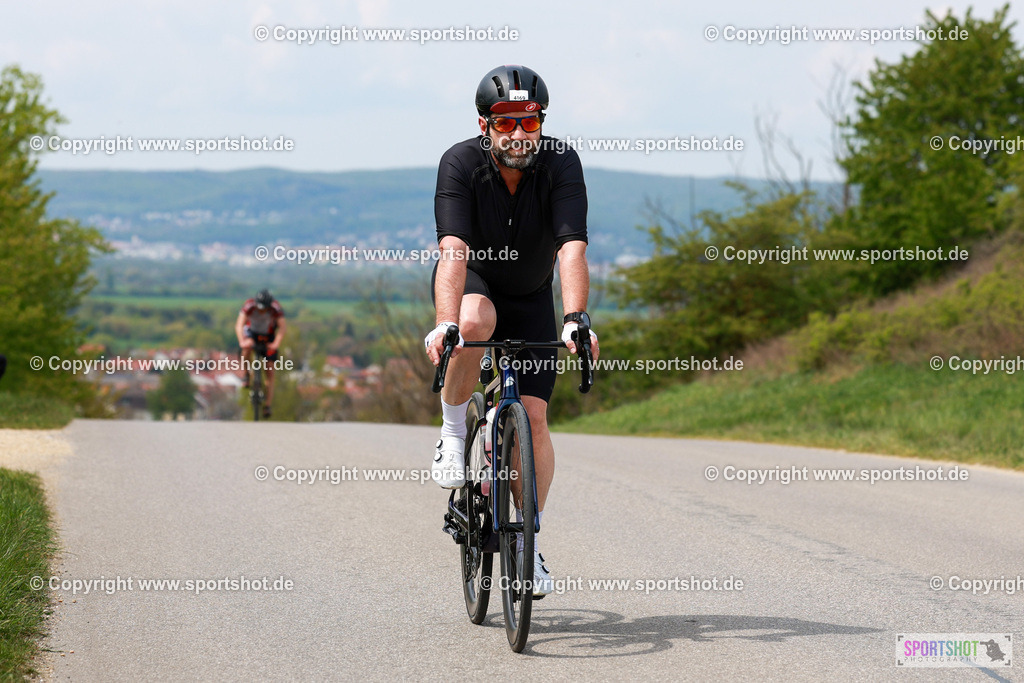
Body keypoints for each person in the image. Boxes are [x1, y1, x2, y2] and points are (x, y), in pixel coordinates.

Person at [424, 64, 600, 597]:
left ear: (541, 122)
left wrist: (575, 317)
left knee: (537, 420)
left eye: (529, 121)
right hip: (475, 283)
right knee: (476, 322)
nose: (519, 133)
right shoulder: (458, 163)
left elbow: (572, 247)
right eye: (507, 122)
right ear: (486, 125)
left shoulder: (561, 162)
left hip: (529, 294)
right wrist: (446, 323)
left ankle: (527, 543)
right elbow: (453, 250)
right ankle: (454, 432)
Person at [235, 289, 286, 419]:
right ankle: (246, 374)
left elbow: (282, 328)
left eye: (264, 309)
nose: (262, 311)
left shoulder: (276, 308)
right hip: (251, 333)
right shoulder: (249, 306)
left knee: (270, 370)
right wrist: (242, 341)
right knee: (246, 350)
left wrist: (276, 344)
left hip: (268, 336)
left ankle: (267, 405)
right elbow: (239, 325)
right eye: (260, 308)